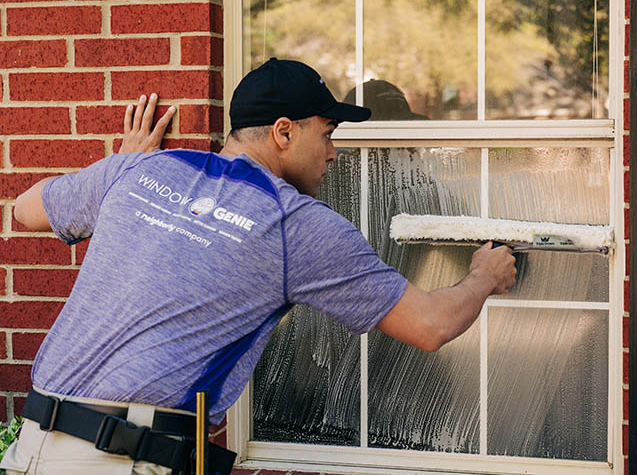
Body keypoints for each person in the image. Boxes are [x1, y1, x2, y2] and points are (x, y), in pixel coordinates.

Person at [4, 58, 516, 475]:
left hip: (34, 448)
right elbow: (429, 325)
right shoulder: (294, 223)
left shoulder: (137, 169)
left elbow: (24, 209)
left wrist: (121, 171)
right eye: (329, 133)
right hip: (124, 462)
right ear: (284, 132)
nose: (335, 154)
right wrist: (484, 276)